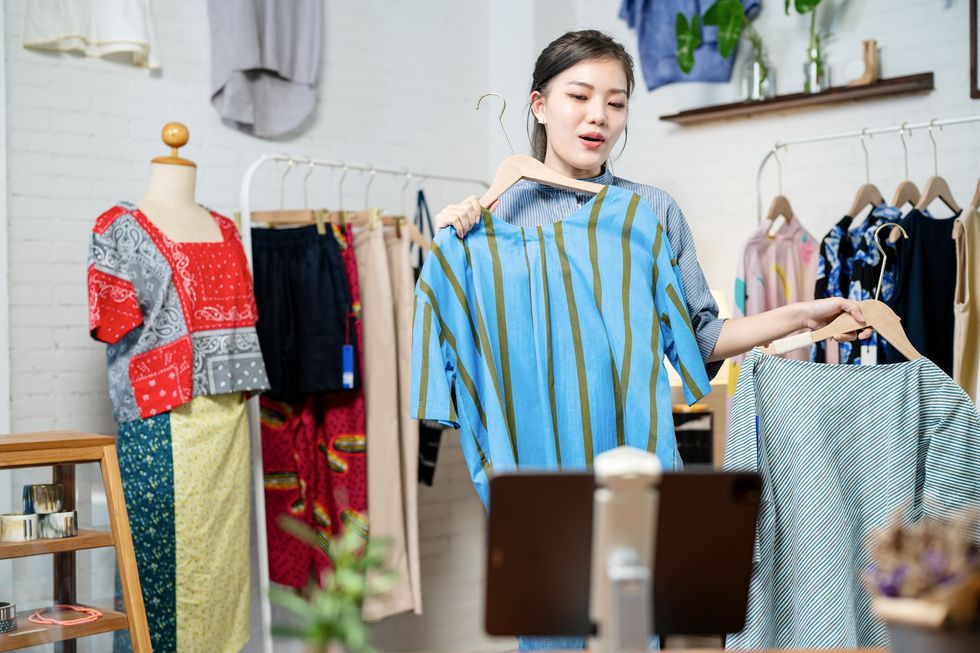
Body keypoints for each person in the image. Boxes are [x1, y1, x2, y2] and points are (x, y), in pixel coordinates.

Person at [434, 30, 870, 377]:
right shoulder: (498, 217)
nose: (599, 115)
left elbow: (698, 339)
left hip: (636, 441)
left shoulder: (653, 210)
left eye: (616, 103)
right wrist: (452, 244)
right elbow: (460, 349)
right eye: (579, 96)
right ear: (540, 106)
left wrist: (804, 315)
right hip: (530, 450)